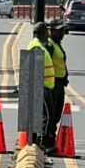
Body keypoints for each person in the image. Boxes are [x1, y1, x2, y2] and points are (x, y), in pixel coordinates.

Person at [27, 22, 56, 154]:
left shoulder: (39, 45)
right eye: (46, 32)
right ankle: (42, 144)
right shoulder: (36, 47)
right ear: (42, 33)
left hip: (44, 86)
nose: (48, 35)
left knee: (44, 116)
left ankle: (37, 143)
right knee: (47, 116)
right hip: (41, 86)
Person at [48, 19, 68, 143]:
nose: (62, 33)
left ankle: (52, 137)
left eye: (63, 31)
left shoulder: (57, 44)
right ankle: (49, 139)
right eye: (59, 31)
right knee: (52, 112)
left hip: (60, 83)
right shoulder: (50, 45)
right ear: (51, 31)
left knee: (57, 112)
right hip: (53, 83)